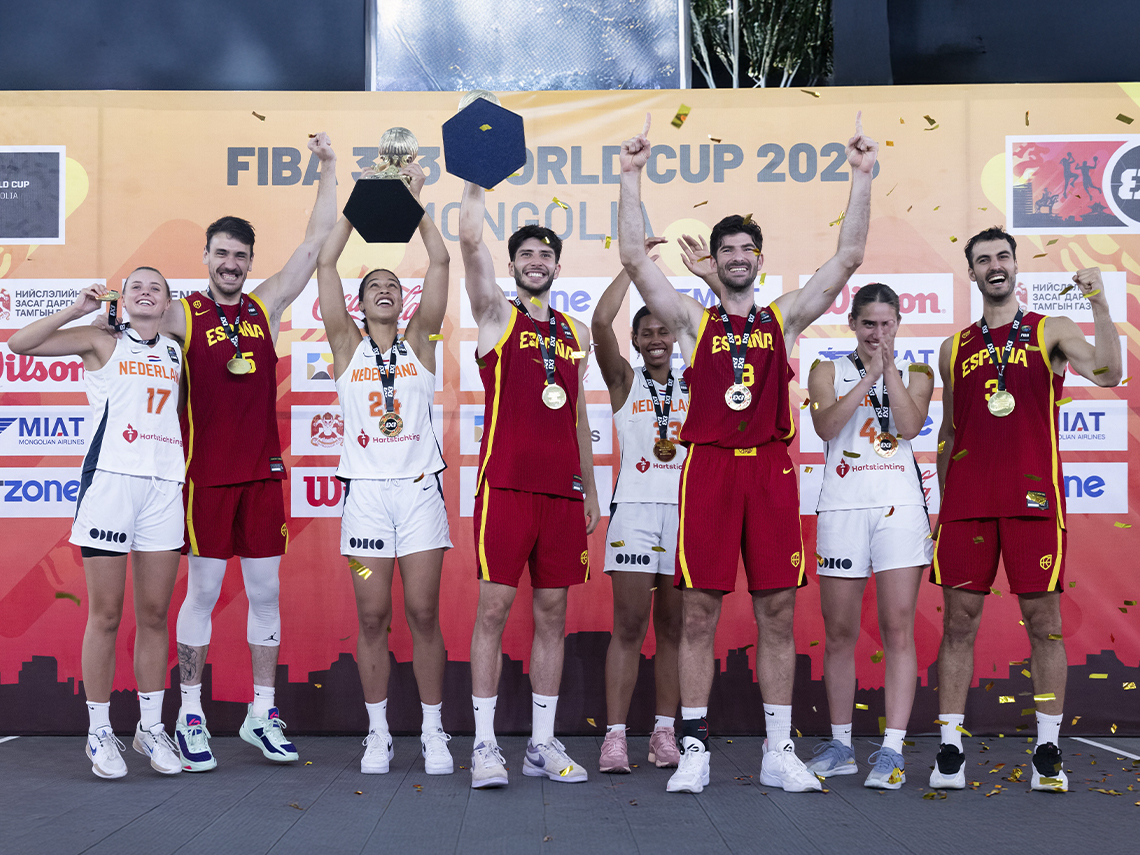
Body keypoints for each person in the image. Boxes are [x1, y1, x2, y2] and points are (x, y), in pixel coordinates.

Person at [618, 112, 878, 794]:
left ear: (759, 260)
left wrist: (861, 176)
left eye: (746, 249)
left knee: (777, 614)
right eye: (727, 248)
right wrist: (631, 175)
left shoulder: (782, 317)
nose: (737, 256)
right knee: (698, 613)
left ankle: (777, 751)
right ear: (715, 259)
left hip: (769, 470)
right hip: (707, 469)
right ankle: (695, 749)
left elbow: (847, 258)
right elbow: (636, 260)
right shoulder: (690, 320)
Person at [166, 133, 338, 771]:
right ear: (206, 257)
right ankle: (189, 715)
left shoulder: (265, 306)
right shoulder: (182, 314)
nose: (231, 264)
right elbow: (127, 325)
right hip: (207, 478)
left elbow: (316, 242)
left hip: (263, 476)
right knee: (203, 593)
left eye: (240, 256)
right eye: (222, 254)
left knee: (266, 592)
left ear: (249, 261)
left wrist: (328, 167)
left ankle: (261, 714)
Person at [930, 227, 1121, 792]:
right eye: (983, 259)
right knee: (958, 624)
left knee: (1045, 625)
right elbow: (949, 431)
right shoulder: (952, 348)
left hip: (1032, 501)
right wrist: (943, 499)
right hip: (967, 505)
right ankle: (949, 748)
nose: (995, 266)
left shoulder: (1051, 330)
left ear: (1015, 266)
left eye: (1002, 257)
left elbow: (1109, 372)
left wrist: (1099, 303)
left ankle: (1046, 749)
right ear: (971, 272)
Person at [10, 270, 184, 778]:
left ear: (168, 303)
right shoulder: (99, 340)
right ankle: (99, 731)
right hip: (110, 486)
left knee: (155, 615)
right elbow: (20, 345)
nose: (145, 292)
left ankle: (151, 727)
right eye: (136, 287)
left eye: (155, 288)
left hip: (163, 487)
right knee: (106, 615)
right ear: (122, 300)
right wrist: (76, 309)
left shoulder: (177, 349)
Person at [459, 179, 601, 789]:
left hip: (562, 493)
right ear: (514, 266)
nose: (536, 262)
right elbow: (471, 246)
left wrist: (589, 488)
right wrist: (474, 186)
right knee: (493, 611)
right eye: (525, 255)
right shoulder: (496, 315)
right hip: (507, 488)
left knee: (552, 613)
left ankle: (541, 744)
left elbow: (578, 417)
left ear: (558, 267)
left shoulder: (576, 333)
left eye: (545, 255)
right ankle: (484, 745)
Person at [315, 162, 454, 775]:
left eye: (393, 284)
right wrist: (364, 200)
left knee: (423, 614)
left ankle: (433, 731)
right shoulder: (346, 345)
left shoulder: (421, 341)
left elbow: (441, 261)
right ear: (359, 300)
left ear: (403, 299)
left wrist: (411, 204)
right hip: (367, 498)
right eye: (373, 284)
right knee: (373, 617)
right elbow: (326, 264)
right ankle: (378, 734)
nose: (384, 289)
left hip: (420, 493)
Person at [802, 283, 934, 789]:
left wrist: (889, 372)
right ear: (853, 325)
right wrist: (868, 378)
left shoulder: (918, 372)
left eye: (887, 324)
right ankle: (841, 746)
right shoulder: (826, 369)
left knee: (897, 626)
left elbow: (908, 426)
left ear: (898, 324)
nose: (878, 333)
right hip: (842, 508)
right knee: (839, 632)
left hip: (899, 508)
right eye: (869, 324)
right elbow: (826, 427)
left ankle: (893, 750)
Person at [592, 239, 685, 774]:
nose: (656, 339)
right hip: (634, 512)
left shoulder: (696, 382)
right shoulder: (624, 381)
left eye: (663, 331)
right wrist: (633, 267)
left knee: (673, 630)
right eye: (646, 332)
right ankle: (615, 738)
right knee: (628, 627)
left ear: (675, 337)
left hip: (684, 515)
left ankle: (664, 733)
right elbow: (599, 325)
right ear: (636, 340)